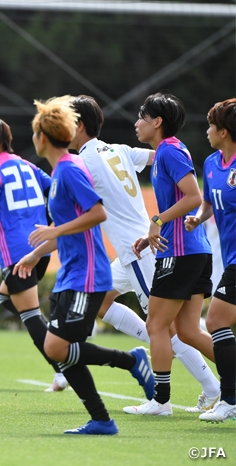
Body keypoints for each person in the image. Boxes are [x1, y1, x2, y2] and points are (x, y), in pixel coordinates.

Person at [70, 95, 220, 412]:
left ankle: (210, 386)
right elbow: (155, 157)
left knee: (169, 327)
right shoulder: (118, 150)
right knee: (101, 299)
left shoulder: (83, 162)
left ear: (78, 126)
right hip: (138, 245)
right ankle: (151, 347)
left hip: (141, 249)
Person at [14, 96, 154, 435]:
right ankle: (103, 418)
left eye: (35, 132)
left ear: (42, 138)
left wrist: (54, 231)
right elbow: (70, 224)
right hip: (70, 273)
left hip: (88, 275)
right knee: (58, 350)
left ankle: (131, 363)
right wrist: (36, 253)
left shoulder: (71, 170)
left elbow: (97, 214)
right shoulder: (60, 171)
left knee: (56, 348)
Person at [0, 117, 68, 391]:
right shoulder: (27, 164)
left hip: (19, 253)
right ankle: (53, 337)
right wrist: (52, 219)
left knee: (30, 315)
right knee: (4, 296)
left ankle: (63, 368)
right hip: (40, 248)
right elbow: (53, 188)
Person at [123, 93, 214, 416]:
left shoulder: (170, 151)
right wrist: (151, 236)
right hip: (192, 251)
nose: (136, 123)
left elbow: (193, 196)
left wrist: (157, 220)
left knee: (156, 326)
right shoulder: (165, 151)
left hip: (182, 253)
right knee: (189, 331)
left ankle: (160, 402)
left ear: (157, 122)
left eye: (142, 117)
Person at [185, 98, 236, 422]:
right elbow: (208, 203)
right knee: (220, 323)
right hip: (229, 257)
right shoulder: (211, 164)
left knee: (216, 321)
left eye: (210, 125)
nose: (206, 131)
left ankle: (230, 400)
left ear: (225, 131)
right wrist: (197, 218)